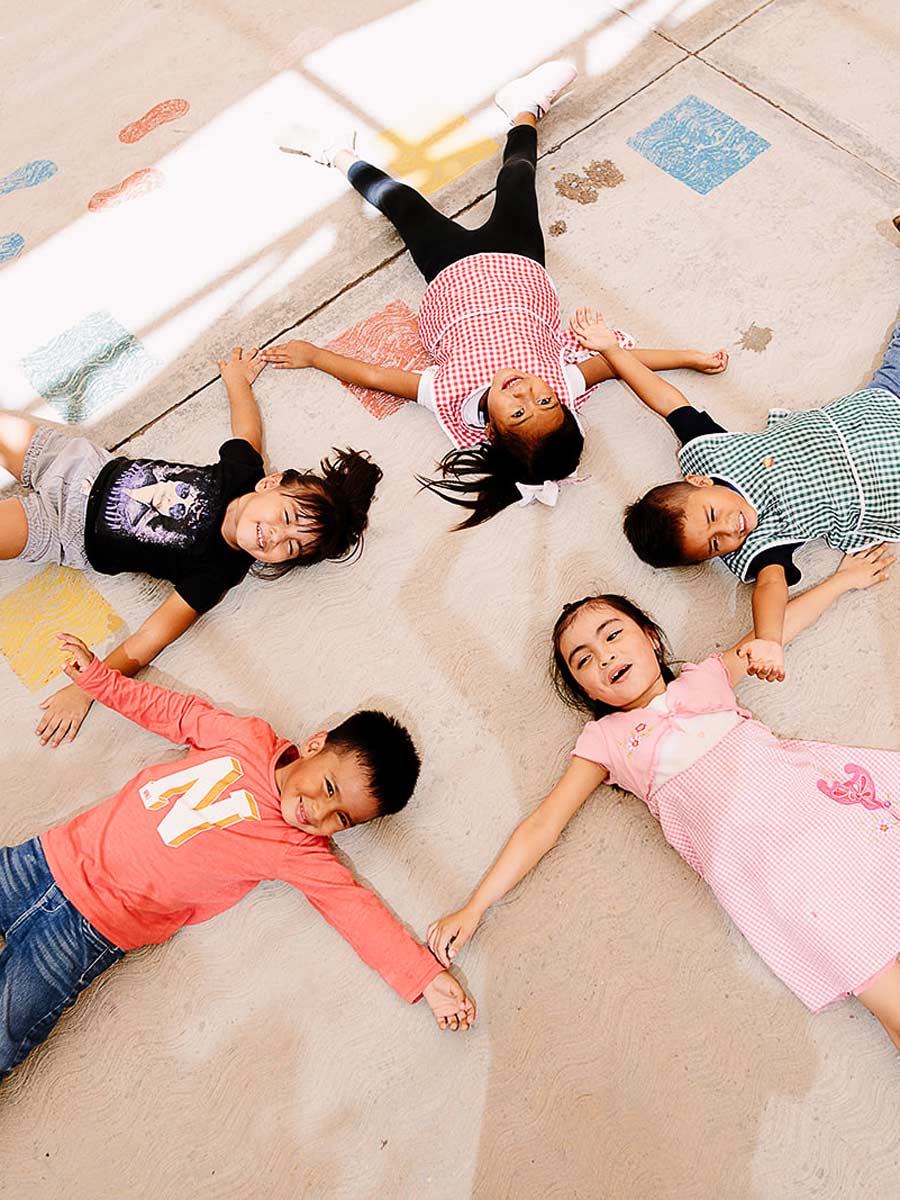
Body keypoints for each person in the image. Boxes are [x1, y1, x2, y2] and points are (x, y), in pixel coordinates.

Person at [425, 546, 900, 1052]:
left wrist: (843, 581)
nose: (605, 655)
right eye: (584, 659)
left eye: (613, 635)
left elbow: (775, 632)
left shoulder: (704, 677)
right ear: (581, 687)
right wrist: (473, 908)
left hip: (815, 811)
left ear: (650, 637)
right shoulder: (604, 741)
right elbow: (542, 826)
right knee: (880, 988)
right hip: (766, 869)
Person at [264, 63, 728, 527]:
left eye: (519, 413)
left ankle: (337, 152)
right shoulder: (562, 381)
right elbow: (615, 363)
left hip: (449, 270)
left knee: (398, 201)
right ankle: (524, 108)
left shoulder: (448, 394)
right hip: (519, 263)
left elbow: (378, 376)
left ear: (490, 429)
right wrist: (687, 356)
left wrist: (316, 356)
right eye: (545, 403)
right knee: (518, 176)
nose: (528, 393)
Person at [0, 632, 475, 1080]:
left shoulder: (300, 851)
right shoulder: (246, 737)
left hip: (89, 931)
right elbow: (173, 712)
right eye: (329, 788)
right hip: (45, 858)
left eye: (342, 819)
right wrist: (101, 681)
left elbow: (355, 911)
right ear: (314, 745)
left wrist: (425, 978)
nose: (321, 813)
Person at [1, 347, 381, 746]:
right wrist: (237, 382)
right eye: (286, 519)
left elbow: (150, 638)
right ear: (269, 483)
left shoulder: (218, 571)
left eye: (290, 548)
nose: (275, 537)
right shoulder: (243, 472)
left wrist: (88, 688)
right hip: (82, 465)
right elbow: (247, 430)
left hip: (65, 529)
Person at [570, 305, 900, 683]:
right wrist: (769, 641)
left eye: (712, 516)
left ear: (700, 482)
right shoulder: (757, 547)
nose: (730, 530)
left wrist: (612, 351)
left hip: (874, 409)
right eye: (715, 545)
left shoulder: (712, 455)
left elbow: (665, 399)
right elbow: (770, 588)